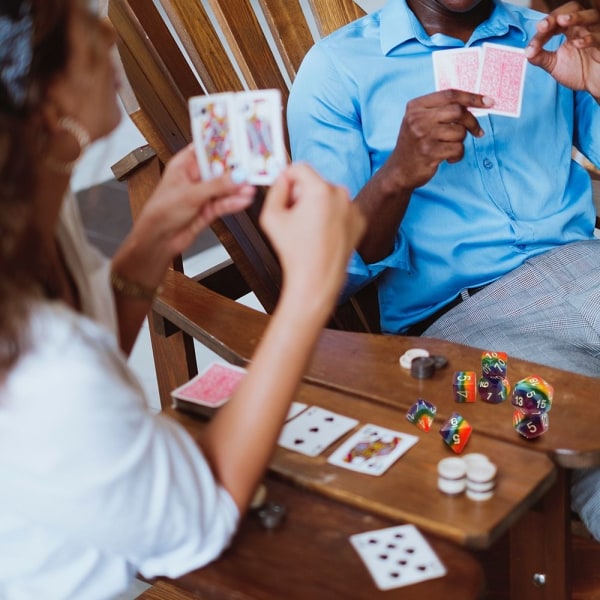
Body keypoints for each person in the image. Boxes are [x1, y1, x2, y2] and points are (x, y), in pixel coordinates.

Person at [0, 1, 365, 598]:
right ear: (44, 98)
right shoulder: (45, 367)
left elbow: (92, 351)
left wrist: (153, 238)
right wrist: (308, 292)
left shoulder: (38, 218)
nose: (109, 30)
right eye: (83, 23)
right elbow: (208, 512)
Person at [287, 0, 600, 537]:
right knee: (586, 434)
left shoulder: (553, 41)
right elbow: (322, 275)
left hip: (586, 266)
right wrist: (396, 175)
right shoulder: (337, 67)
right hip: (462, 328)